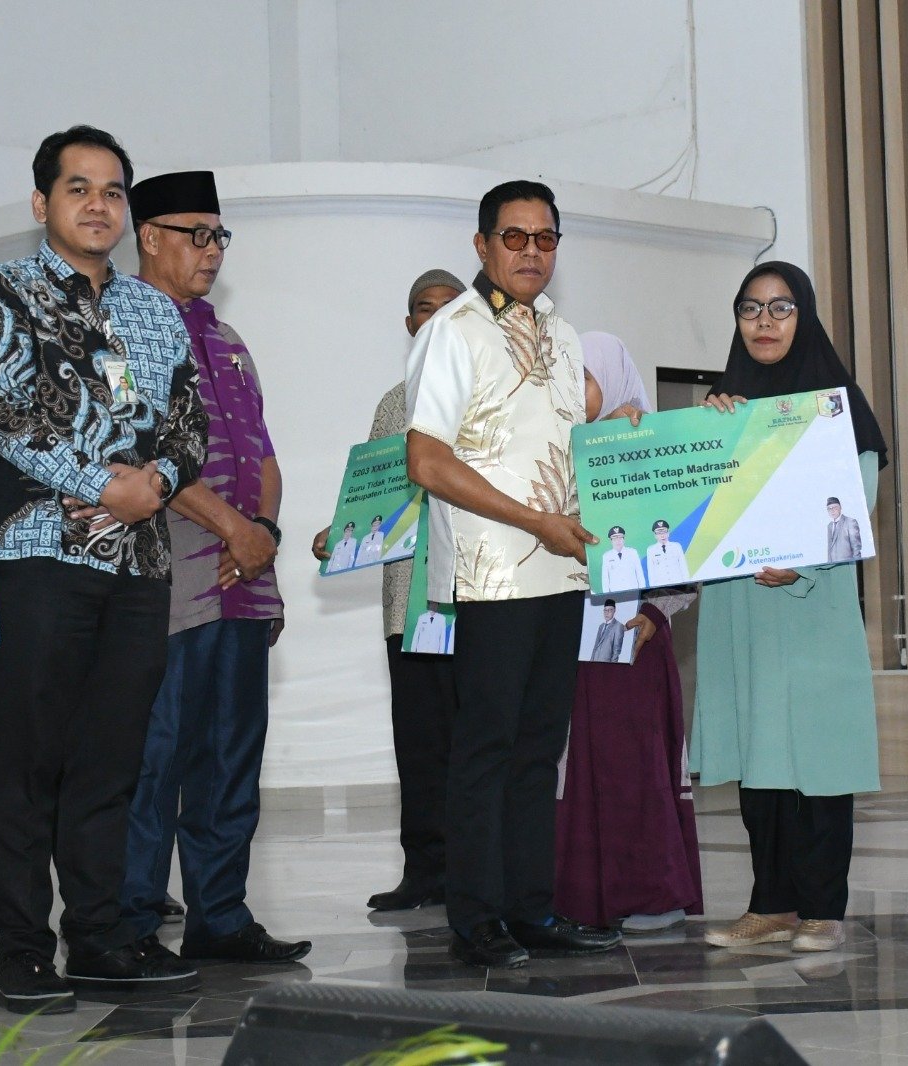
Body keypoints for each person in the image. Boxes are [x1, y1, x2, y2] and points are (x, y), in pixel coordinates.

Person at [0, 127, 208, 1014]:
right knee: (31, 761)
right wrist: (111, 486)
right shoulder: (4, 294)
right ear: (42, 202)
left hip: (140, 566)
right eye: (78, 188)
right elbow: (10, 418)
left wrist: (157, 485)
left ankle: (101, 939)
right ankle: (23, 952)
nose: (98, 205)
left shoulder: (154, 310)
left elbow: (188, 424)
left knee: (112, 761)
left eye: (112, 191)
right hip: (41, 554)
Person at [406, 180, 620, 967]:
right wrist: (535, 523)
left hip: (563, 573)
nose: (532, 251)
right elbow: (426, 461)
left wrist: (622, 433)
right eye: (515, 237)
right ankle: (476, 919)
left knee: (538, 752)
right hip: (492, 576)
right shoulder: (453, 331)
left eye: (545, 238)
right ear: (483, 245)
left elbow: (564, 444)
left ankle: (533, 910)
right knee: (486, 751)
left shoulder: (563, 334)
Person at [102, 169, 309, 968]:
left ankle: (220, 917)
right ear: (149, 237)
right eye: (197, 234)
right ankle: (130, 923)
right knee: (155, 759)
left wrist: (261, 533)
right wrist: (232, 529)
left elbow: (265, 455)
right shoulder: (121, 330)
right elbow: (136, 454)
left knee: (231, 757)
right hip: (169, 582)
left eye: (219, 235)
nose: (213, 250)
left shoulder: (228, 341)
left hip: (243, 581)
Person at [693, 261, 887, 954]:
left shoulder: (838, 409)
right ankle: (770, 904)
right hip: (744, 610)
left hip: (811, 606)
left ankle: (822, 909)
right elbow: (692, 505)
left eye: (781, 308)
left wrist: (802, 560)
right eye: (750, 309)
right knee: (760, 759)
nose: (764, 322)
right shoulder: (724, 412)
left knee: (819, 760)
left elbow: (858, 503)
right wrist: (707, 431)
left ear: (803, 316)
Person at [311, 268, 465, 912]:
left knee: (477, 742)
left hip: (476, 598)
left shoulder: (486, 391)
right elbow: (377, 499)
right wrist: (342, 532)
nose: (436, 318)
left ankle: (480, 873)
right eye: (424, 309)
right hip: (409, 605)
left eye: (449, 307)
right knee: (420, 743)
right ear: (409, 324)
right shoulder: (392, 405)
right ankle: (424, 872)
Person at [556, 334, 702, 933]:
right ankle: (577, 896)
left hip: (635, 641)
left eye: (586, 379)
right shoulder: (553, 450)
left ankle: (649, 893)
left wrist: (658, 613)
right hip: (571, 641)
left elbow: (686, 548)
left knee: (633, 766)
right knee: (575, 767)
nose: (576, 392)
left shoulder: (654, 450)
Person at [600, 526, 644, 593]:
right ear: (611, 541)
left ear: (624, 539)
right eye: (614, 538)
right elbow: (605, 579)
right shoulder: (606, 556)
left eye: (620, 538)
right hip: (616, 592)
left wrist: (642, 590)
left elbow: (639, 573)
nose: (618, 541)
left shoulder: (632, 552)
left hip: (633, 589)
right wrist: (606, 594)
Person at [645, 519, 690, 585]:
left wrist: (687, 584)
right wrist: (653, 588)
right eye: (659, 533)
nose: (662, 535)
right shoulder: (651, 550)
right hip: (661, 585)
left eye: (664, 532)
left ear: (668, 533)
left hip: (678, 583)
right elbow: (651, 572)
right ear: (655, 535)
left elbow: (683, 567)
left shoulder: (676, 546)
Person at [825, 498, 862, 563]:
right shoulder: (830, 526)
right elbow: (830, 549)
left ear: (840, 507)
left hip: (848, 565)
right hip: (833, 566)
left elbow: (856, 548)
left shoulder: (850, 522)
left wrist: (856, 564)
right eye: (829, 508)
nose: (832, 511)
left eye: (835, 507)